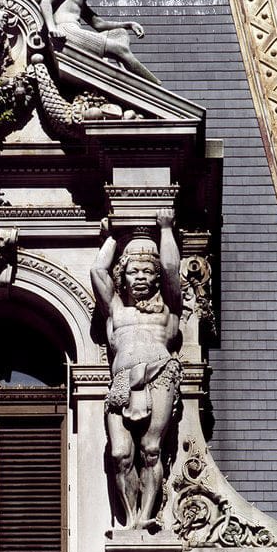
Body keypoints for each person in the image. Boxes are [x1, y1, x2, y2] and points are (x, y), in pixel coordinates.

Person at [91, 211, 182, 529]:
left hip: (160, 375)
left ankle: (145, 518)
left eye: (147, 271)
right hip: (121, 382)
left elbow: (172, 268)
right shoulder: (116, 309)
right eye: (133, 271)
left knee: (151, 449)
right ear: (123, 276)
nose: (140, 277)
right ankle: (129, 519)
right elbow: (97, 270)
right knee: (120, 454)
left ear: (155, 277)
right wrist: (113, 235)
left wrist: (167, 230)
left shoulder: (169, 308)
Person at [41, 0, 161, 84]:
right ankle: (155, 86)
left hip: (74, 30)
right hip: (66, 31)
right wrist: (52, 29)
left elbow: (98, 24)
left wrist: (129, 25)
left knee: (120, 33)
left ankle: (127, 72)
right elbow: (46, 1)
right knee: (120, 50)